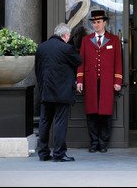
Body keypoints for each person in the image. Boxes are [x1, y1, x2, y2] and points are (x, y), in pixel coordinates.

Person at [76, 10, 122, 153]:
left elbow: (118, 63)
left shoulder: (113, 40)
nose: (96, 25)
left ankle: (103, 143)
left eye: (98, 22)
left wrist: (118, 81)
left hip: (107, 83)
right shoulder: (86, 40)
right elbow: (81, 62)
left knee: (105, 114)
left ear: (104, 23)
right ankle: (94, 142)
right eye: (94, 23)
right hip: (90, 82)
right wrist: (79, 80)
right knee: (91, 114)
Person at [35, 23, 82, 162]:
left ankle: (43, 153)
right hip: (62, 93)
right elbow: (79, 61)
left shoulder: (42, 47)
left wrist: (42, 87)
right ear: (66, 35)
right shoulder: (66, 48)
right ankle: (59, 153)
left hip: (46, 91)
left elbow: (37, 69)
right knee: (60, 123)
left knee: (44, 122)